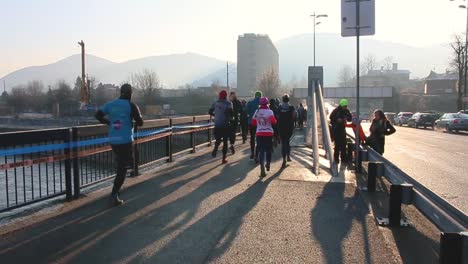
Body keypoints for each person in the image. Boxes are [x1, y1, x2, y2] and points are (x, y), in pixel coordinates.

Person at [95, 83, 144, 206]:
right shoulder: (131, 106)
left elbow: (97, 115)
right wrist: (134, 118)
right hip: (126, 140)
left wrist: (109, 123)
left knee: (123, 164)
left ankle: (116, 191)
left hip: (113, 140)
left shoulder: (110, 104)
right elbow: (141, 122)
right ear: (130, 94)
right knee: (123, 168)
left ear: (120, 92)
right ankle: (114, 195)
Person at [252, 97, 277, 177]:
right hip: (268, 133)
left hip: (259, 133)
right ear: (267, 103)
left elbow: (253, 123)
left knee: (261, 150)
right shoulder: (270, 112)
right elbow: (273, 122)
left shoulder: (257, 111)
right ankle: (268, 164)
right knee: (269, 150)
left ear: (260, 104)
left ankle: (262, 166)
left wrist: (260, 124)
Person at [209, 90, 233, 164]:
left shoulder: (215, 103)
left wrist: (216, 115)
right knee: (225, 142)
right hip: (225, 125)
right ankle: (223, 159)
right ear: (226, 95)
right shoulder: (229, 103)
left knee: (218, 140)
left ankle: (215, 148)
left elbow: (210, 111)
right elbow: (231, 114)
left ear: (219, 95)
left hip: (217, 124)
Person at [329, 99, 352, 163]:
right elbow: (331, 118)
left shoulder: (346, 111)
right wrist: (337, 120)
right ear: (341, 105)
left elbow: (350, 118)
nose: (345, 107)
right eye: (344, 106)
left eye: (346, 106)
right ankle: (336, 158)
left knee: (343, 144)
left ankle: (343, 158)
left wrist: (346, 118)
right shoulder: (336, 111)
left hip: (342, 129)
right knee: (337, 145)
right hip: (336, 129)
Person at [277, 94, 296, 168]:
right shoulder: (291, 107)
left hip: (281, 127)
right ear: (288, 99)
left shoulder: (280, 107)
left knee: (283, 143)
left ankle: (284, 158)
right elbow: (294, 116)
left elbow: (277, 116)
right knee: (287, 142)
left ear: (282, 100)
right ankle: (288, 156)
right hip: (289, 127)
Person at [246, 91, 262, 161]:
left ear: (255, 96)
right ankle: (257, 154)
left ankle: (252, 152)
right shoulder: (262, 103)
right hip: (260, 123)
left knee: (252, 138)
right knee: (259, 138)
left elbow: (246, 111)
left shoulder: (250, 103)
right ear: (261, 96)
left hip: (251, 122)